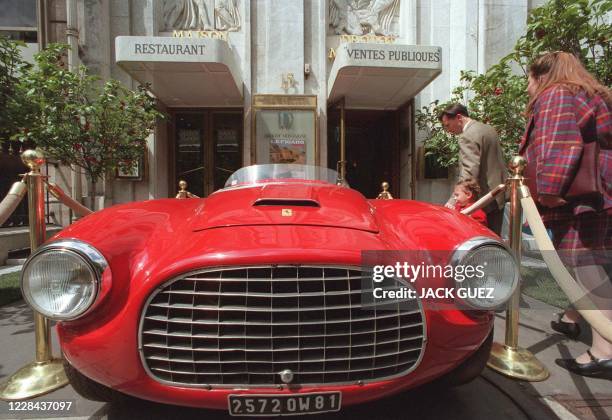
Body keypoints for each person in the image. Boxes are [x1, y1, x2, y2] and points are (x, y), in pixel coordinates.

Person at [520, 51, 612, 379]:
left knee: (583, 263)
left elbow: (559, 143)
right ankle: (574, 319)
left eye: (528, 79)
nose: (528, 88)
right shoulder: (588, 93)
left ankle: (605, 350)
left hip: (575, 198)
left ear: (540, 76)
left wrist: (547, 188)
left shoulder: (556, 93)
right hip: (598, 192)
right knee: (588, 261)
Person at [439, 104, 507, 235]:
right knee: (494, 240)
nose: (448, 130)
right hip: (498, 195)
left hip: (483, 201)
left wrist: (453, 200)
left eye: (448, 125)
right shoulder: (488, 129)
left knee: (480, 244)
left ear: (459, 117)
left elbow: (469, 173)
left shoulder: (467, 136)